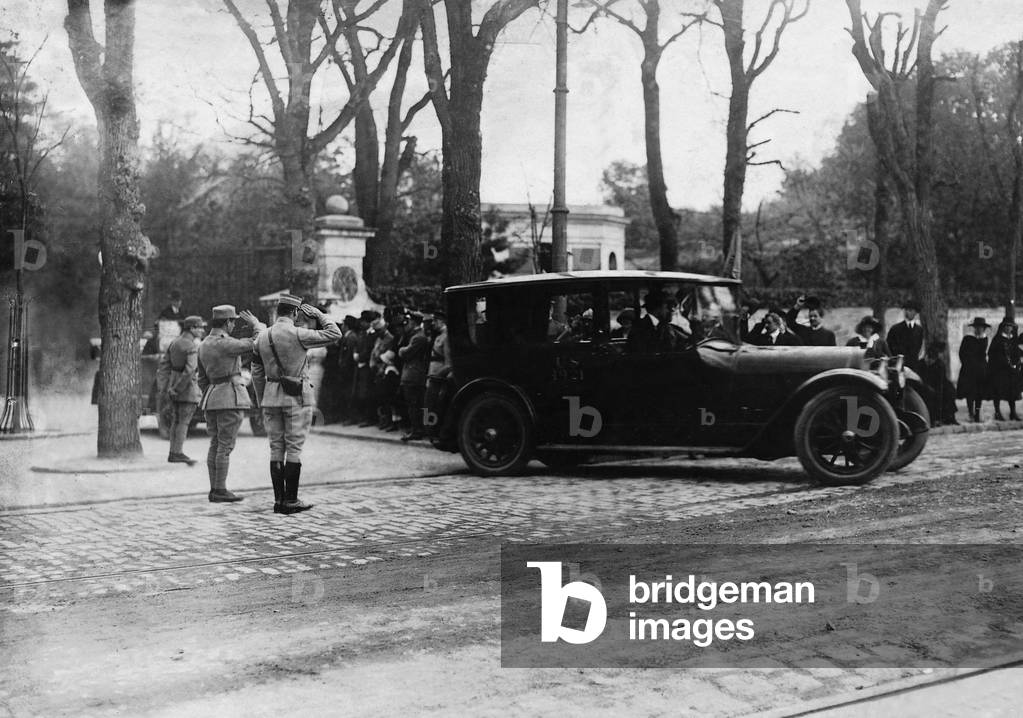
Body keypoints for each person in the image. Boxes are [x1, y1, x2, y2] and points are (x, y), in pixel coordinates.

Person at [252, 295, 342, 513]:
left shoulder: (262, 337)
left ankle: (278, 500)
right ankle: (291, 500)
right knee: (293, 447)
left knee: (276, 447)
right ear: (294, 313)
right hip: (296, 397)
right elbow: (335, 333)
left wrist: (263, 398)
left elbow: (256, 372)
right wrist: (319, 314)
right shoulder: (299, 334)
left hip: (271, 397)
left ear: (277, 311)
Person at [197, 305, 266, 503]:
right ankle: (220, 490)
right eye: (233, 321)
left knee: (215, 444)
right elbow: (256, 342)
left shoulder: (204, 344)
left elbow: (202, 379)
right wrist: (256, 325)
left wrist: (213, 393)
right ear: (227, 322)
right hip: (230, 398)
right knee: (225, 446)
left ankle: (214, 489)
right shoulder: (225, 343)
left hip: (211, 398)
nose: (234, 325)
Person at [165, 315, 206, 465]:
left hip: (173, 386)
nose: (202, 331)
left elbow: (165, 366)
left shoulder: (174, 343)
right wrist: (178, 388)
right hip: (186, 389)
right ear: (192, 328)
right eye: (200, 327)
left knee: (175, 420)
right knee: (184, 422)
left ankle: (172, 452)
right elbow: (190, 370)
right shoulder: (191, 346)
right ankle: (178, 452)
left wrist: (171, 388)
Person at [399, 311, 431, 442]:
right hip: (415, 374)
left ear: (413, 322)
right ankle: (419, 429)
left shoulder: (418, 338)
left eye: (409, 322)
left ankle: (417, 430)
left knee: (414, 405)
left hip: (414, 374)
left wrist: (401, 350)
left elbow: (406, 353)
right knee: (418, 404)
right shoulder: (418, 336)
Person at [424, 310, 451, 438]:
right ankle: (429, 431)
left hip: (439, 378)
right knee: (428, 405)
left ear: (441, 321)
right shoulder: (439, 336)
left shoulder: (446, 337)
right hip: (432, 375)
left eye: (435, 320)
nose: (433, 323)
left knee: (434, 405)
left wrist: (438, 376)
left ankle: (434, 432)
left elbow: (448, 363)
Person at [987, 319, 1021, 421]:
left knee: (1012, 392)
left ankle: (1013, 413)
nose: (1008, 328)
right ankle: (997, 412)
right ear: (1002, 327)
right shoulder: (997, 339)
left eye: (1010, 326)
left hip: (1011, 371)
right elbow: (991, 353)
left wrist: (1015, 363)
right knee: (997, 392)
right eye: (1006, 326)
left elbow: (1017, 352)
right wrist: (1002, 362)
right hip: (999, 370)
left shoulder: (1013, 339)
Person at [957, 317, 990, 422]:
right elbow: (962, 353)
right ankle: (971, 413)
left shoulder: (984, 339)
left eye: (981, 327)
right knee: (970, 392)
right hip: (969, 370)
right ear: (974, 328)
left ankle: (977, 414)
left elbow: (982, 354)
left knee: (980, 393)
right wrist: (967, 364)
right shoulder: (968, 338)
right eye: (977, 327)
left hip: (981, 370)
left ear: (984, 329)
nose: (979, 329)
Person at [919, 341, 958, 426]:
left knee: (949, 392)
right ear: (926, 356)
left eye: (932, 360)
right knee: (929, 394)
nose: (930, 361)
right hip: (924, 385)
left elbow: (941, 382)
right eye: (928, 359)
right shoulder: (920, 364)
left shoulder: (939, 365)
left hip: (939, 385)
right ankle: (933, 419)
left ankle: (949, 417)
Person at [353, 310, 379, 427]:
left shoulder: (373, 334)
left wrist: (360, 357)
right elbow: (358, 346)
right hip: (361, 365)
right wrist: (356, 354)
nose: (361, 324)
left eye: (363, 321)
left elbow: (370, 351)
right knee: (361, 392)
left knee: (368, 392)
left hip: (368, 366)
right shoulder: (363, 334)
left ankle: (370, 418)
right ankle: (364, 417)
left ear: (368, 322)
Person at [886, 301, 925, 372]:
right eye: (906, 310)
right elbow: (889, 346)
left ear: (915, 312)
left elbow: (919, 347)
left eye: (910, 310)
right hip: (898, 365)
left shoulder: (919, 330)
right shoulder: (895, 329)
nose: (907, 312)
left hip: (913, 366)